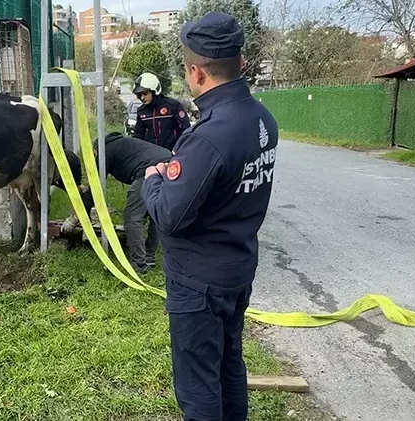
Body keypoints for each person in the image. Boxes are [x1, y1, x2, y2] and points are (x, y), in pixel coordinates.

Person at [140, 11, 279, 421]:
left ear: (196, 72)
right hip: (237, 268)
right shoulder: (263, 119)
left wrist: (153, 179)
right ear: (242, 63)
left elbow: (169, 216)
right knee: (229, 364)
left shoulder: (208, 138)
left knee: (198, 382)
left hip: (199, 283)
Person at [59, 132, 174, 274]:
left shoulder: (104, 152)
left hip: (149, 170)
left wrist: (74, 219)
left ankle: (139, 263)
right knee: (155, 212)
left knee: (132, 218)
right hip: (170, 166)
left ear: (95, 150)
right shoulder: (122, 144)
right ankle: (149, 255)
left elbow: (94, 190)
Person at [132, 72, 191, 151]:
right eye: (139, 95)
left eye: (145, 93)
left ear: (154, 91)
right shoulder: (141, 111)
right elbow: (138, 137)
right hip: (151, 154)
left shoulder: (173, 106)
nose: (142, 98)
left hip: (172, 153)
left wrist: (179, 149)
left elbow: (185, 130)